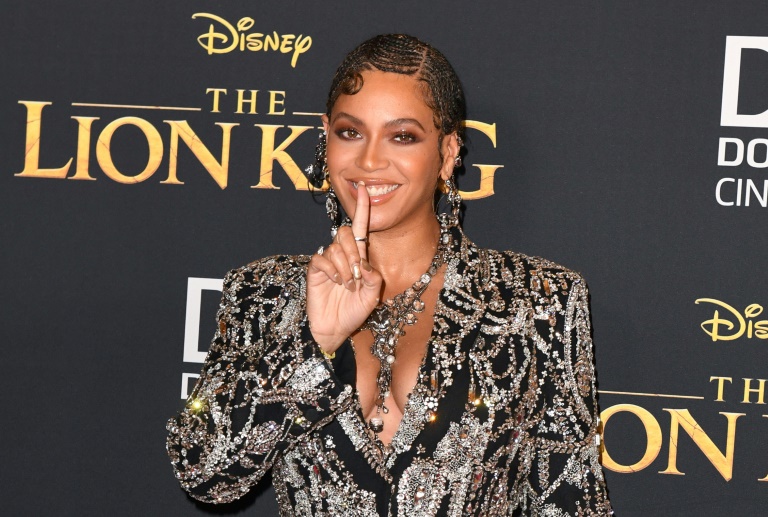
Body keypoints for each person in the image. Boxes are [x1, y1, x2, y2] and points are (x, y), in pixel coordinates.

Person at [167, 34, 612, 516]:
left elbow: (572, 502)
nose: (369, 161)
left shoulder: (536, 300)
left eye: (402, 136)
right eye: (350, 132)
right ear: (325, 137)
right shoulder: (263, 293)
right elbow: (204, 474)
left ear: (448, 152)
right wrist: (312, 342)